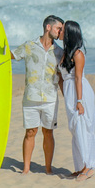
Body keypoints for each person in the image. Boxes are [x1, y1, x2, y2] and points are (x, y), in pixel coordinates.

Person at [12, 15, 64, 175]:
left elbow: (63, 76)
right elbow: (9, 55)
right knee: (30, 132)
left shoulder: (60, 52)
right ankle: (26, 169)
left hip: (50, 98)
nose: (60, 32)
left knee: (48, 132)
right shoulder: (29, 46)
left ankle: (48, 168)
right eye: (58, 28)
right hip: (30, 97)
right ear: (48, 27)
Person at [58, 20, 95, 181]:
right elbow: (62, 77)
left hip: (79, 92)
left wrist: (79, 100)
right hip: (69, 92)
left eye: (62, 30)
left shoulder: (78, 54)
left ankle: (89, 166)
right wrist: (66, 95)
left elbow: (78, 77)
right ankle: (80, 166)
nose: (59, 32)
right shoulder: (65, 53)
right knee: (74, 128)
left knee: (83, 127)